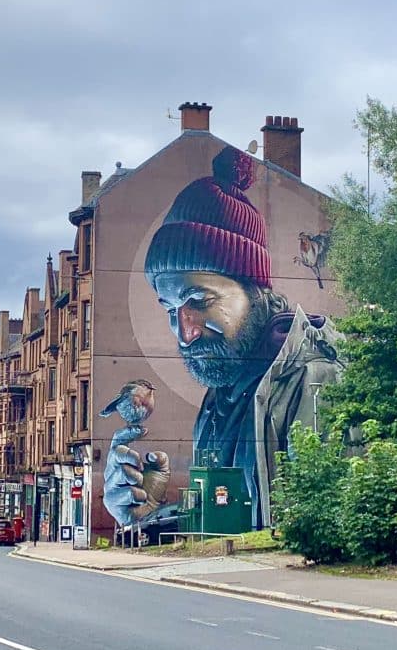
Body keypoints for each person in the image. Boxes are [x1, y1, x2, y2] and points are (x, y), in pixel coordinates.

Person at [103, 145, 344, 529]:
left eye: (198, 300)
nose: (185, 334)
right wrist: (148, 515)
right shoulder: (222, 398)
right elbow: (225, 524)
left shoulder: (315, 382)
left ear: (255, 290)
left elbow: (326, 533)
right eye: (170, 310)